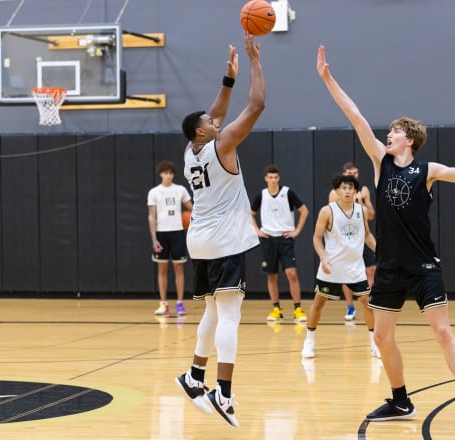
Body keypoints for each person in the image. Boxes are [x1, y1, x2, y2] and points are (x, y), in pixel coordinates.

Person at [316, 44, 455, 430]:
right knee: (382, 337)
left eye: (395, 131)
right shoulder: (380, 163)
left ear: (409, 139)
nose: (389, 134)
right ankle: (400, 401)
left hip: (423, 265)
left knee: (442, 331)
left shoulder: (427, 169)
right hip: (391, 266)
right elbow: (355, 115)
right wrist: (329, 80)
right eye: (390, 132)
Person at [174, 32, 265, 428]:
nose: (217, 120)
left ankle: (195, 374)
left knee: (212, 309)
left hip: (200, 238)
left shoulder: (191, 151)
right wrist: (254, 60)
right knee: (230, 314)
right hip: (224, 237)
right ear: (203, 132)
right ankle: (223, 393)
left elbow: (216, 113)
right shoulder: (223, 145)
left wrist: (228, 79)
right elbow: (257, 104)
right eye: (211, 122)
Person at [301, 174, 378, 359]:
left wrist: (379, 251)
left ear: (355, 192)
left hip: (355, 268)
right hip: (332, 267)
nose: (347, 191)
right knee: (319, 303)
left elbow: (367, 235)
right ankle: (309, 342)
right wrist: (323, 257)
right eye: (344, 188)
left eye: (351, 188)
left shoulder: (361, 211)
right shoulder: (327, 211)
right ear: (337, 191)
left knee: (368, 304)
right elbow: (316, 238)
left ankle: (375, 344)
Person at [251, 164, 309, 323]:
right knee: (272, 275)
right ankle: (276, 308)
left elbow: (304, 210)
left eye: (276, 177)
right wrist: (257, 229)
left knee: (292, 273)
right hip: (268, 239)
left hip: (285, 239)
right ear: (265, 179)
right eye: (270, 177)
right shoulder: (261, 195)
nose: (273, 180)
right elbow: (250, 214)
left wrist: (296, 231)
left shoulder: (287, 193)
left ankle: (298, 308)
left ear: (279, 178)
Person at [328, 162, 376, 321]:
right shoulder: (335, 194)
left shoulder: (364, 191)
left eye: (355, 173)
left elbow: (371, 215)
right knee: (345, 274)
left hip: (362, 236)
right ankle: (350, 306)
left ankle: (372, 302)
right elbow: (334, 217)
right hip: (345, 240)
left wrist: (360, 202)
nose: (352, 175)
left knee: (371, 270)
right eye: (349, 173)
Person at [148, 160, 194, 316]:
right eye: (165, 173)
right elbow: (151, 216)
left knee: (179, 268)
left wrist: (192, 217)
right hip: (161, 233)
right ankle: (163, 303)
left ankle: (180, 303)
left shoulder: (180, 190)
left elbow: (192, 208)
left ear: (173, 174)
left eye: (170, 173)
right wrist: (154, 239)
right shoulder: (154, 192)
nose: (168, 176)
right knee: (162, 269)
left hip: (178, 232)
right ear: (161, 174)